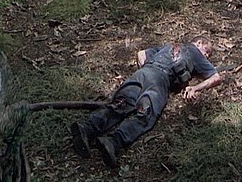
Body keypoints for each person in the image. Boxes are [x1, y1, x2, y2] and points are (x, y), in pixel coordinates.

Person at [71, 35, 222, 168]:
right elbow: (216, 78)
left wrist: (146, 71)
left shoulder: (169, 46)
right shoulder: (195, 52)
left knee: (120, 105)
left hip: (141, 73)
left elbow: (141, 54)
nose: (206, 56)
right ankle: (113, 142)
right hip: (160, 80)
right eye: (207, 51)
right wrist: (195, 88)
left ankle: (87, 127)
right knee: (145, 113)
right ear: (199, 43)